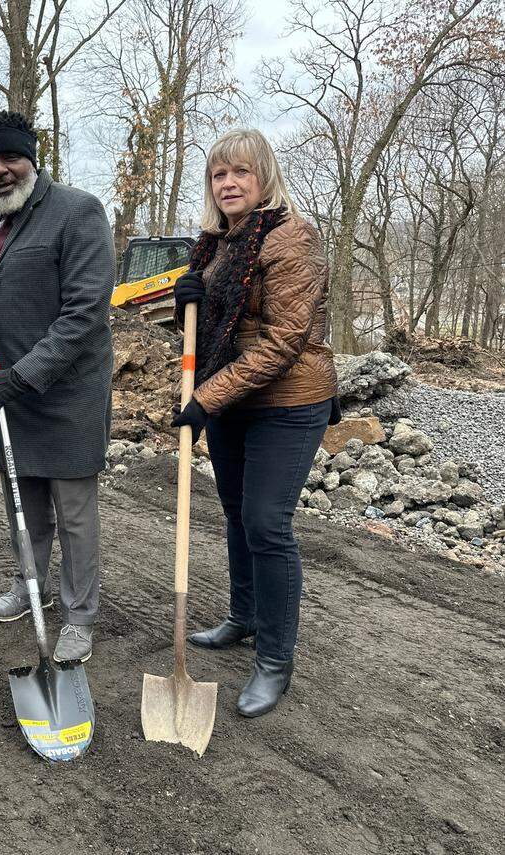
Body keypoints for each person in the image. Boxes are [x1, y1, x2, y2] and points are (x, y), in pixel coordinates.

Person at [171, 127, 339, 717]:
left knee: (267, 522)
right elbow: (213, 324)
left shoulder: (291, 238)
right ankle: (243, 617)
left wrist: (205, 398)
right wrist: (185, 297)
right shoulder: (218, 240)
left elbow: (284, 341)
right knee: (238, 514)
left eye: (241, 172)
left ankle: (273, 659)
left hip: (289, 400)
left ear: (264, 176)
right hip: (234, 400)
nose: (229, 183)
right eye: (219, 174)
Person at [0, 110, 114, 664]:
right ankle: (28, 586)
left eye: (8, 158)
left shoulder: (77, 212)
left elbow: (84, 314)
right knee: (24, 503)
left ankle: (80, 614)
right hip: (8, 397)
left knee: (74, 511)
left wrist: (23, 377)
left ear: (31, 159)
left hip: (66, 394)